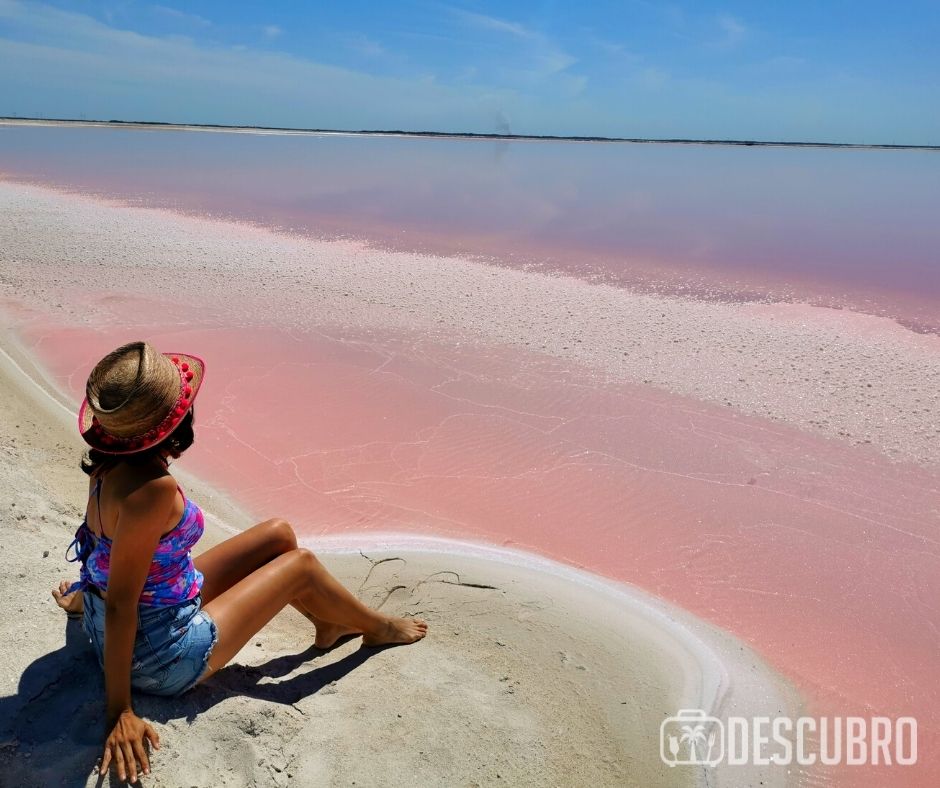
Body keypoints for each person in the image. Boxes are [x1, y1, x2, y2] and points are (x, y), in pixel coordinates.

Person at [51, 341, 428, 782]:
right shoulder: (153, 490)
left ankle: (329, 623)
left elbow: (101, 546)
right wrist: (120, 711)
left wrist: (83, 596)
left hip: (147, 609)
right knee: (301, 564)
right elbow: (121, 604)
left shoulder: (107, 464)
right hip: (160, 660)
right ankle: (376, 629)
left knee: (279, 534)